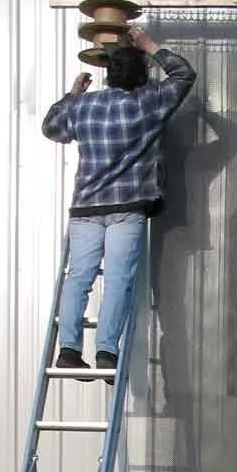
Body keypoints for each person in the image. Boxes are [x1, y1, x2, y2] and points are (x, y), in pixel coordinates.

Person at [41, 27, 196, 383]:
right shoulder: (149, 102)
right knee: (118, 280)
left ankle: (68, 350)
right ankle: (106, 353)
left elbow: (52, 128)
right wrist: (149, 44)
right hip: (128, 207)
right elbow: (185, 74)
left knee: (78, 277)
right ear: (141, 77)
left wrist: (73, 93)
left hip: (85, 210)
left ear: (108, 76)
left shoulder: (84, 107)